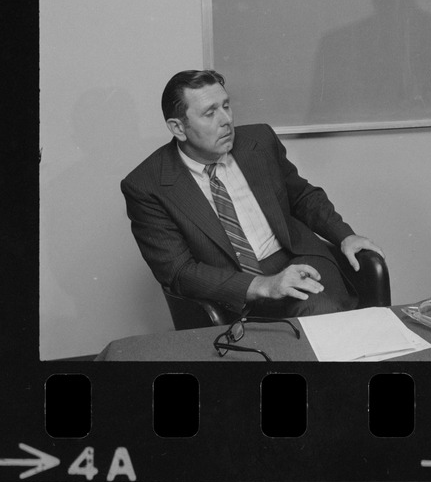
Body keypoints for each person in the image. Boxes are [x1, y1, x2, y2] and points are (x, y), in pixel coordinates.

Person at [121, 70, 385, 318]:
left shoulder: (258, 141)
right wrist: (264, 285)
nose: (226, 120)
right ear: (178, 128)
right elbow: (179, 272)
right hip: (234, 286)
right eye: (210, 113)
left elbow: (303, 196)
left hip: (298, 259)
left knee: (322, 308)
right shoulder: (147, 185)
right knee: (324, 321)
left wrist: (344, 235)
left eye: (226, 106)